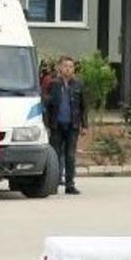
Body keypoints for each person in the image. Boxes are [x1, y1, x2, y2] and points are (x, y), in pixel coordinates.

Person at [44, 55, 87, 195]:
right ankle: (54, 183)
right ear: (59, 68)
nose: (68, 69)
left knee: (70, 155)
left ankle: (70, 184)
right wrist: (46, 124)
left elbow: (83, 106)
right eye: (65, 66)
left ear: (73, 69)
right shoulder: (53, 84)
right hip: (56, 125)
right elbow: (47, 105)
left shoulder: (78, 84)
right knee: (55, 155)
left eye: (70, 66)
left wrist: (84, 125)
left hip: (72, 125)